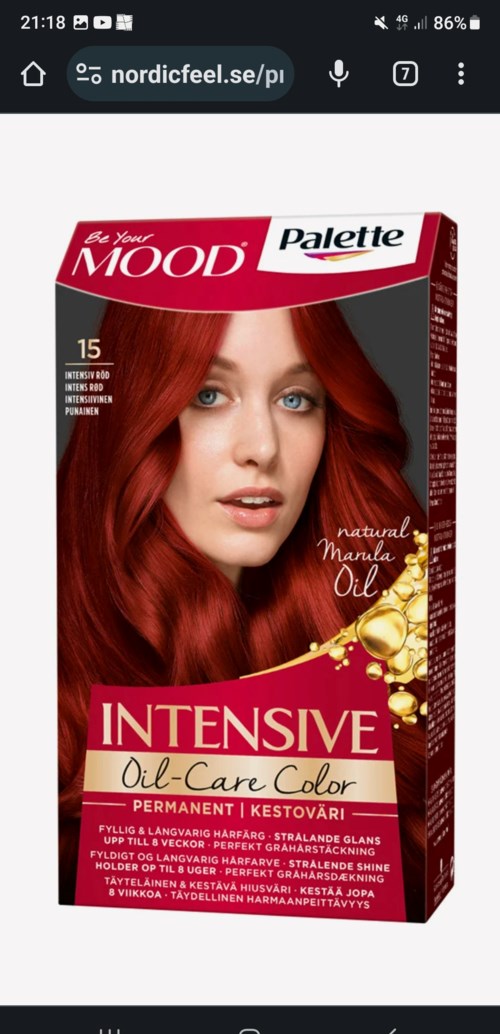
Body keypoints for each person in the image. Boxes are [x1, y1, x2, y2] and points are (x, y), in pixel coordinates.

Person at [58, 299, 426, 917]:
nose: (261, 448)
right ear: (132, 412)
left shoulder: (378, 644)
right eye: (208, 395)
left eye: (296, 399)